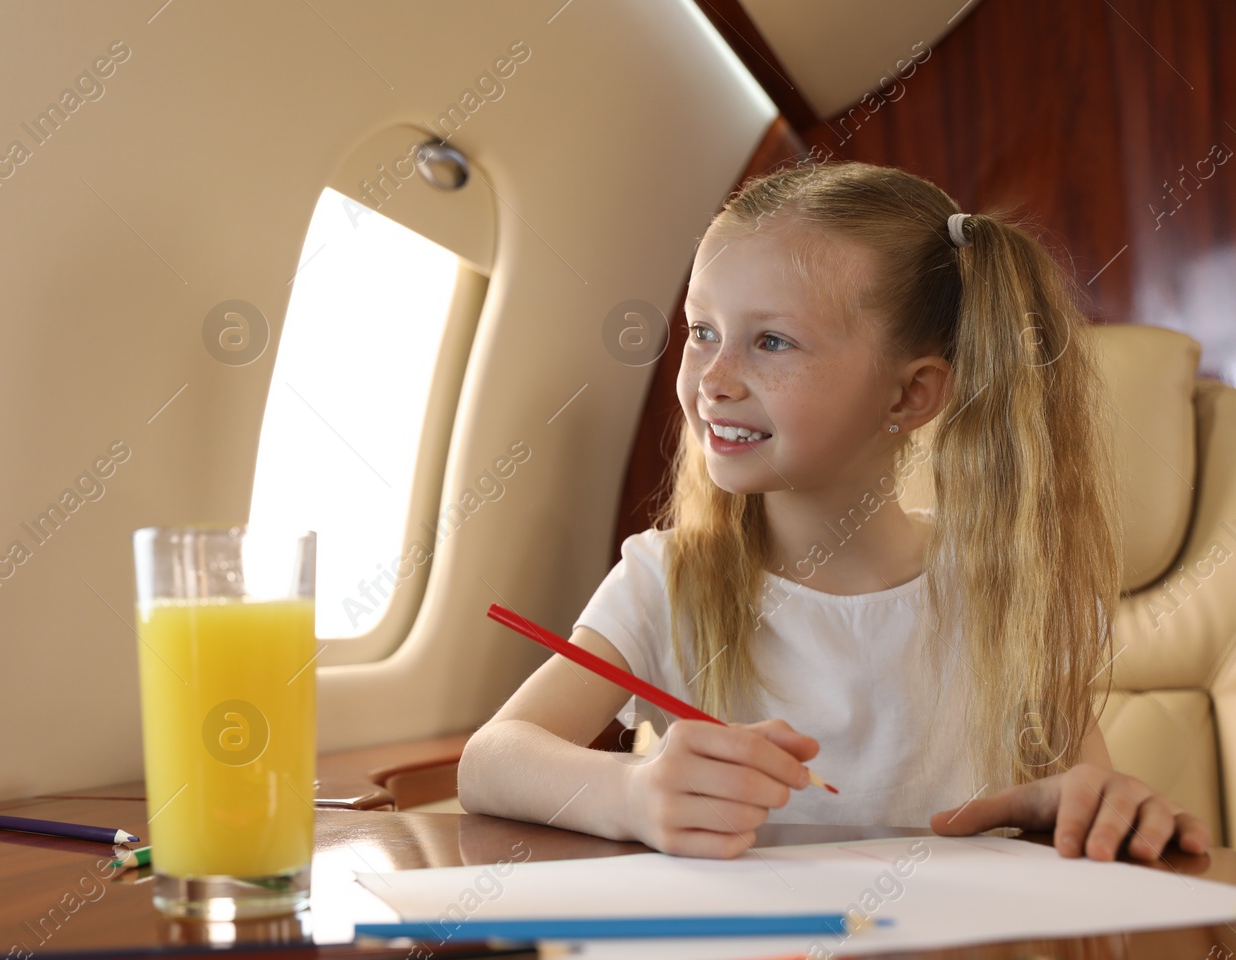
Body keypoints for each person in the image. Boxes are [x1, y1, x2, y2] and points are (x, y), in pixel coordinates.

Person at [457, 160, 1212, 863]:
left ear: (911, 394)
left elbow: (1085, 799)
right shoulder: (667, 580)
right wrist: (633, 793)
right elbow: (490, 759)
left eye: (773, 341)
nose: (713, 378)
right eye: (702, 331)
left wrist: (1091, 803)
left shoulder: (1009, 588)